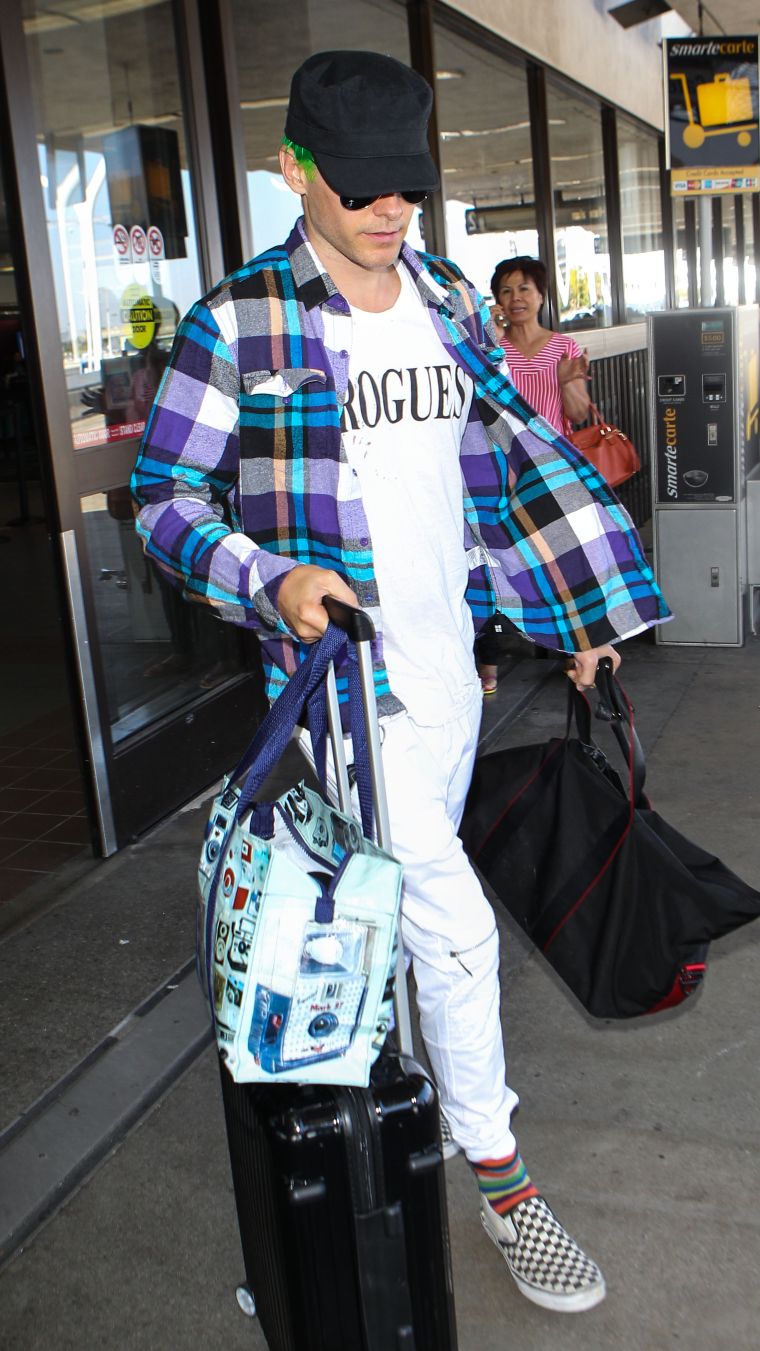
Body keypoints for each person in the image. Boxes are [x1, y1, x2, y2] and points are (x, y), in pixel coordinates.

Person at [131, 50, 669, 1315]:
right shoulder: (239, 319)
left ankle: (343, 1186)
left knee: (375, 936)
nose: (387, 211)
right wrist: (266, 575)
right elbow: (163, 499)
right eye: (360, 186)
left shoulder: (443, 292)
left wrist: (571, 612)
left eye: (407, 188)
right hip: (337, 696)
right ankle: (501, 1177)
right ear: (293, 172)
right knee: (455, 929)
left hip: (452, 676)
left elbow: (501, 468)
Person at [478, 255, 591, 694]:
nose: (515, 298)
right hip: (501, 468)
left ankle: (573, 651)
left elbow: (579, 413)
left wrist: (565, 383)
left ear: (542, 295)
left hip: (553, 469)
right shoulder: (490, 350)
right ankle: (488, 660)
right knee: (492, 562)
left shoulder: (564, 347)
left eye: (524, 288)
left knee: (562, 561)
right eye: (506, 290)